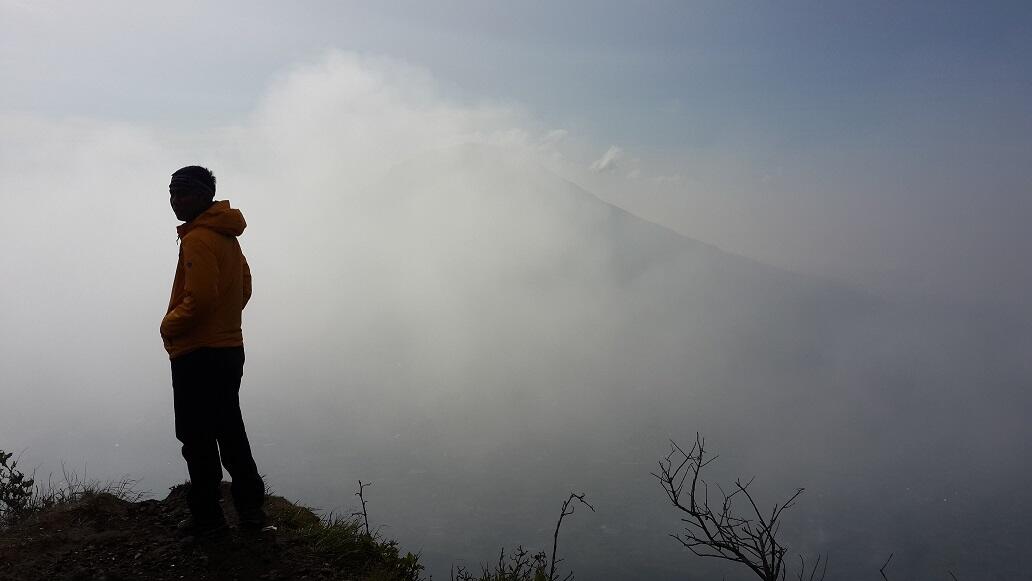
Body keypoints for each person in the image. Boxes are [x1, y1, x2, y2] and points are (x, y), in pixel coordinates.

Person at [161, 165, 266, 535]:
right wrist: (225, 321)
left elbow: (200, 298)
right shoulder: (225, 234)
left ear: (204, 195)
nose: (176, 200)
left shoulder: (198, 238)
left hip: (197, 352)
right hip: (228, 349)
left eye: (184, 193)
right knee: (229, 429)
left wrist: (170, 325)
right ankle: (252, 512)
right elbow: (245, 285)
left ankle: (208, 519)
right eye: (172, 193)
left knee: (196, 436)